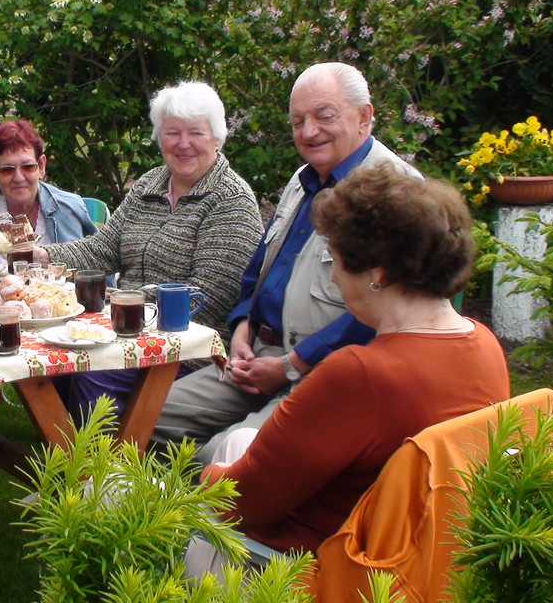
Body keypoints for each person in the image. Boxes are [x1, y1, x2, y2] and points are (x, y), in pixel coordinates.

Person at [185, 165, 509, 573]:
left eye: (334, 260)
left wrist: (203, 478)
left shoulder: (361, 374)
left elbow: (242, 502)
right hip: (418, 558)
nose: (334, 278)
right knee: (244, 440)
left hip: (305, 568)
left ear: (378, 275)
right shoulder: (483, 345)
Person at [152, 62, 418, 463]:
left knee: (222, 457)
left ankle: (183, 516)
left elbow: (386, 313)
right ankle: (112, 510)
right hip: (255, 356)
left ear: (365, 116)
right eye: (298, 121)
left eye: (324, 116)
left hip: (324, 376)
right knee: (140, 415)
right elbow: (258, 270)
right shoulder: (303, 179)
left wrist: (293, 364)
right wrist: (241, 329)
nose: (309, 131)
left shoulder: (394, 190)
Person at [36, 81, 263, 417]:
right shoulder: (149, 185)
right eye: (172, 133)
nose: (183, 144)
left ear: (217, 137)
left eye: (196, 133)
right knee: (50, 359)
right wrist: (43, 258)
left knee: (92, 373)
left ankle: (102, 467)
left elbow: (209, 295)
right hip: (124, 330)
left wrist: (123, 302)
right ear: (159, 137)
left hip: (185, 346)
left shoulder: (231, 201)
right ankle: (67, 453)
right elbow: (103, 248)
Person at [0, 119, 97, 247]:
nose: (19, 177)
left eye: (28, 167)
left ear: (41, 166)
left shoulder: (66, 211)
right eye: (7, 170)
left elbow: (87, 269)